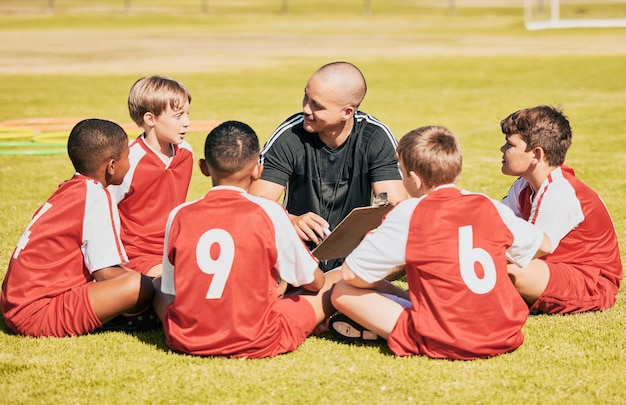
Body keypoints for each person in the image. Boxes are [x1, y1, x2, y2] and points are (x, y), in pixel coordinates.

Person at [329, 126, 552, 360]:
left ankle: (396, 333)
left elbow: (352, 274)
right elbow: (544, 245)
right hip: (505, 332)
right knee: (388, 286)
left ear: (414, 178)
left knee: (343, 291)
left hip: (450, 339)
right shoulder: (487, 204)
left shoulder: (410, 212)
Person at [153, 120, 340, 359]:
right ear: (257, 170)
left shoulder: (179, 214)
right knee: (337, 279)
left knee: (158, 285)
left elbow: (172, 289)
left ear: (204, 167)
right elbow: (314, 282)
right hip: (258, 339)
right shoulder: (269, 211)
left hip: (189, 340)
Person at [1, 118, 155, 337]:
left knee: (138, 280)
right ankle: (116, 318)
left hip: (17, 305)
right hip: (36, 314)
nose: (129, 165)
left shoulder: (72, 188)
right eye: (127, 158)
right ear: (111, 166)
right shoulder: (96, 196)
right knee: (141, 286)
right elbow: (104, 273)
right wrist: (154, 286)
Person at [248, 61, 407, 271]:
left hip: (355, 257)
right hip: (298, 255)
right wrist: (291, 220)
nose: (305, 108)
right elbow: (253, 206)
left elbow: (395, 209)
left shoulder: (374, 137)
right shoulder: (290, 136)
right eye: (306, 97)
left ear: (347, 112)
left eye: (317, 105)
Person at [499, 105, 623, 314]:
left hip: (591, 283)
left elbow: (532, 251)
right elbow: (497, 224)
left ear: (536, 155)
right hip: (555, 269)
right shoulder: (524, 185)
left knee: (507, 269)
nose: (502, 150)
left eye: (509, 144)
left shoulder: (561, 191)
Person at [108, 75, 193, 277]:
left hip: (175, 250)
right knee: (177, 286)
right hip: (137, 256)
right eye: (178, 115)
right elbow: (103, 211)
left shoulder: (185, 153)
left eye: (187, 114)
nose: (187, 122)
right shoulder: (128, 161)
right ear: (150, 119)